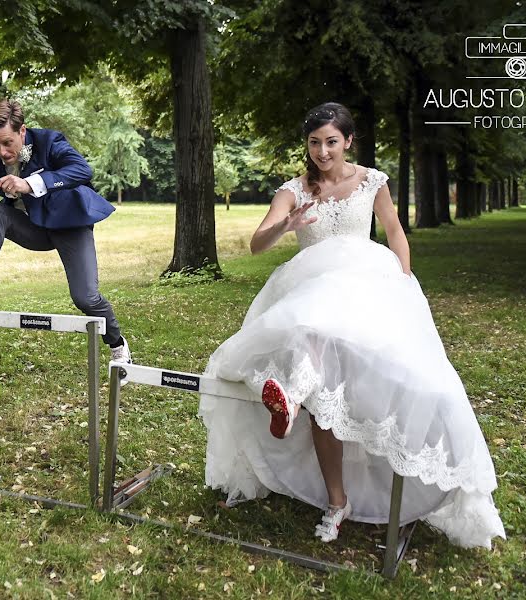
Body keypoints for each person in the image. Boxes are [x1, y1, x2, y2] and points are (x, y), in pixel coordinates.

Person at [198, 102, 505, 548]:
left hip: (367, 290)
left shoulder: (372, 181)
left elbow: (395, 229)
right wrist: (288, 223)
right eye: (314, 142)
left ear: (348, 142)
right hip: (313, 286)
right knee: (318, 361)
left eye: (331, 142)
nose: (322, 151)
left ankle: (302, 407)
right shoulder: (296, 189)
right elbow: (256, 244)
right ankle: (331, 489)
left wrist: (403, 276)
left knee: (370, 389)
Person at [0, 99, 131, 362]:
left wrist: (29, 183)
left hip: (69, 225)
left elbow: (82, 170)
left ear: (21, 131)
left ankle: (118, 345)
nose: (1, 152)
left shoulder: (49, 142)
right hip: (32, 227)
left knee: (86, 298)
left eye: (7, 143)